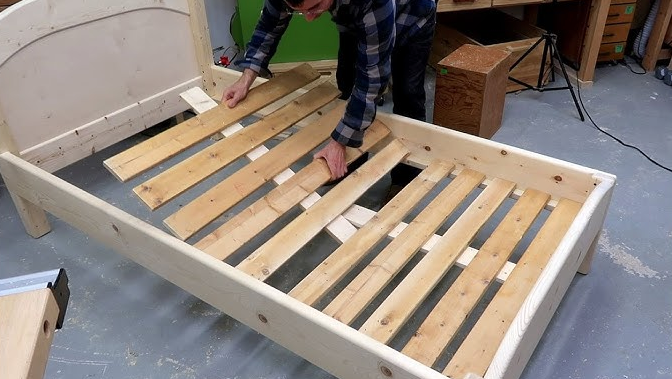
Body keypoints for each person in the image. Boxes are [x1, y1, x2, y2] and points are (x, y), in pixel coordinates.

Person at [223, 0, 436, 202]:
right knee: (346, 81)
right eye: (300, 11)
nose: (308, 18)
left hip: (411, 19)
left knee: (408, 96)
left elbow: (373, 79)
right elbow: (269, 25)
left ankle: (404, 180)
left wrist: (338, 142)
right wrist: (245, 79)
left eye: (315, 7)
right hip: (357, 20)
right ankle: (352, 159)